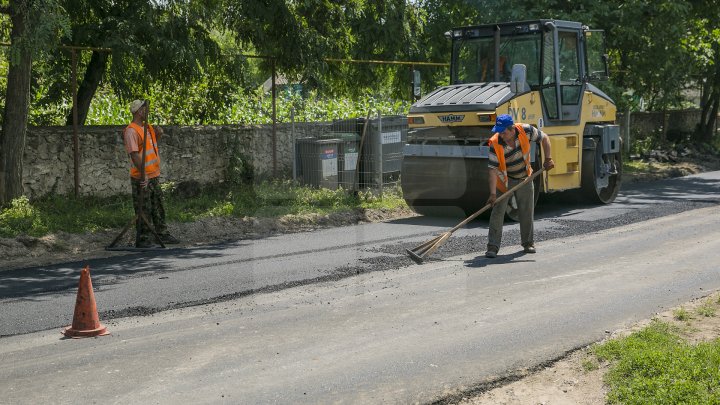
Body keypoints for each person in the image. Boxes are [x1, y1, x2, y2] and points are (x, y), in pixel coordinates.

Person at [485, 114, 554, 258]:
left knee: (526, 210)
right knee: (497, 212)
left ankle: (528, 243)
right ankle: (492, 247)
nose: (501, 135)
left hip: (524, 178)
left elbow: (545, 138)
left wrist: (548, 158)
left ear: (512, 129)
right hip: (504, 181)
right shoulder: (495, 143)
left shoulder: (526, 130)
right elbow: (492, 170)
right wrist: (492, 194)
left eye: (503, 132)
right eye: (499, 132)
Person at [122, 99, 179, 248]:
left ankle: (162, 233)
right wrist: (144, 174)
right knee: (144, 207)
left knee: (157, 205)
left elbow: (149, 147)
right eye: (145, 109)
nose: (147, 111)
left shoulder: (147, 127)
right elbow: (134, 154)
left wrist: (158, 134)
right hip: (142, 176)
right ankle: (144, 238)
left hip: (153, 174)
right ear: (139, 112)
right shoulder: (131, 131)